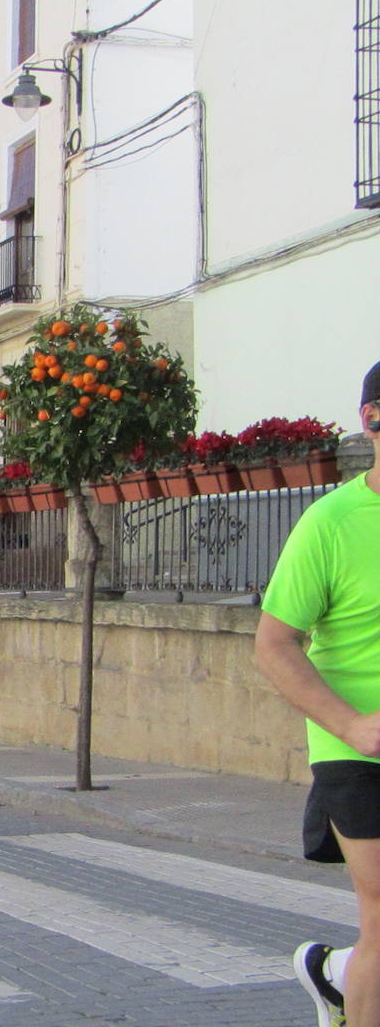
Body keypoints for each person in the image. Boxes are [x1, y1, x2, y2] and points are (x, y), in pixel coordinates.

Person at [256, 359, 380, 1027]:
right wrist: (353, 724)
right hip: (354, 747)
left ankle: (336, 975)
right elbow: (273, 643)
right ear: (372, 420)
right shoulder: (329, 523)